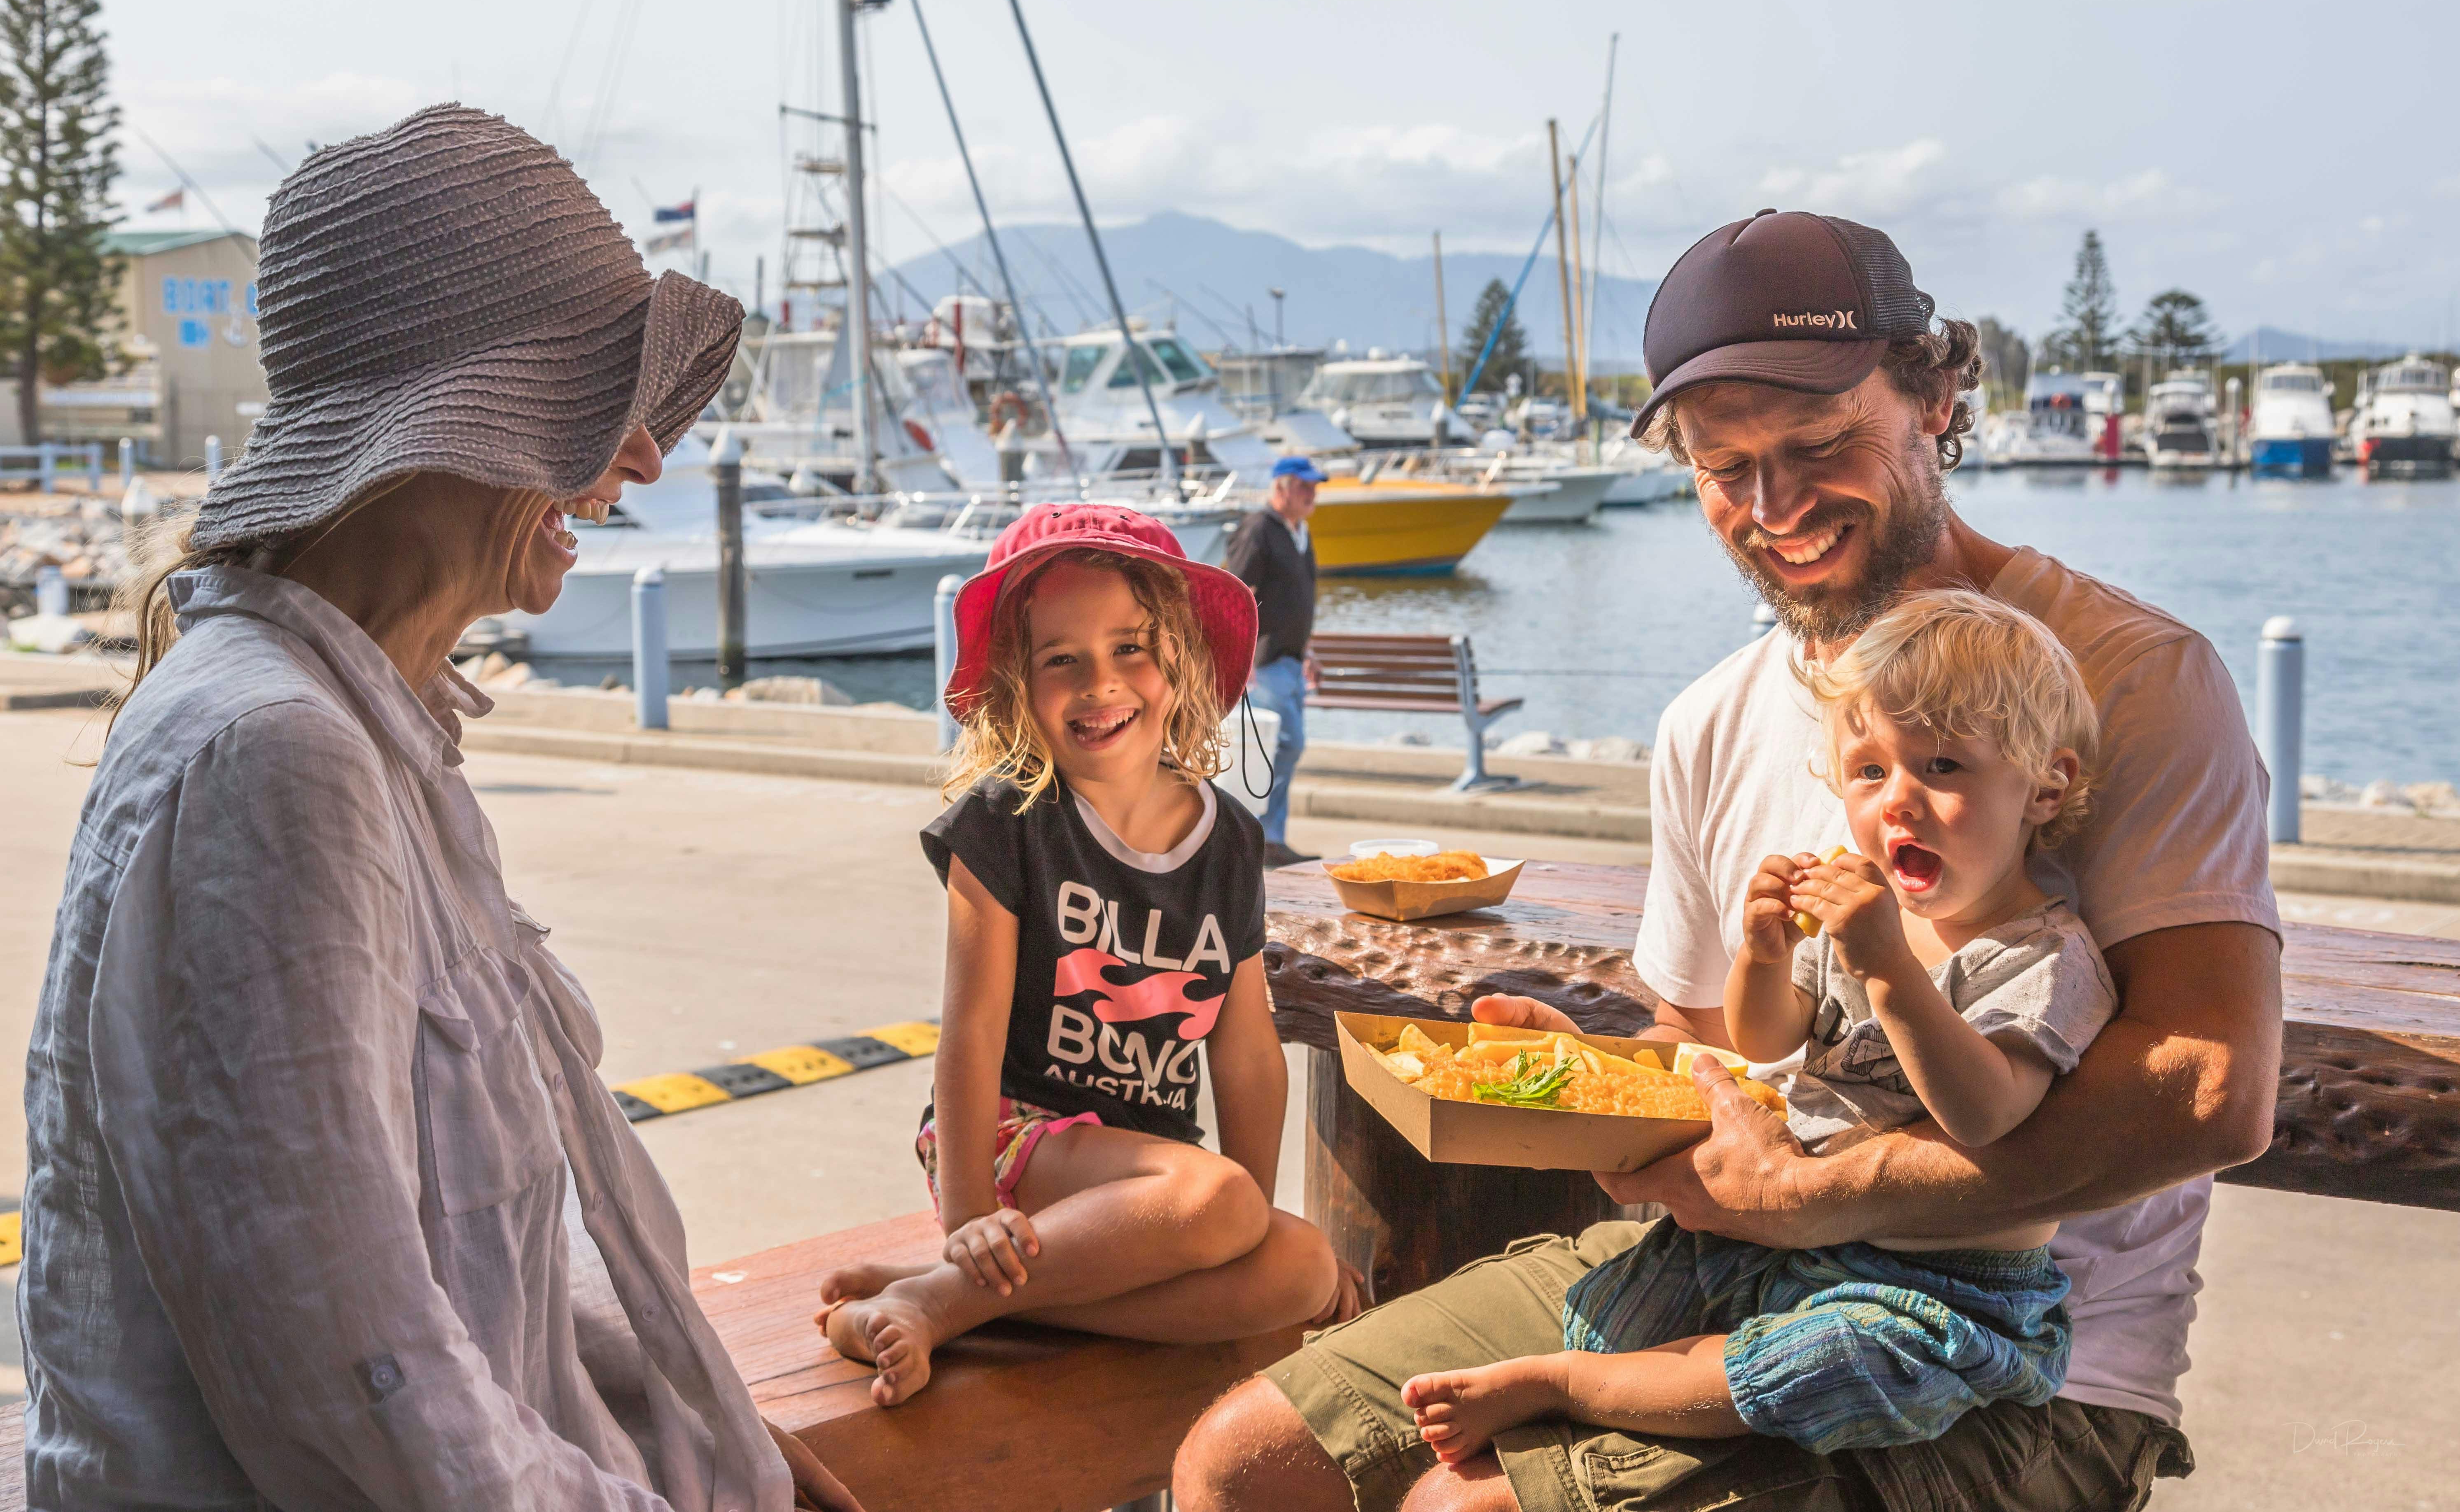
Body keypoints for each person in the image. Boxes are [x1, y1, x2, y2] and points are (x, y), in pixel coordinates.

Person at [1176, 209, 2282, 1512]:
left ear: (1932, 398)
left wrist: (1810, 1197)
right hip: (1720, 1269)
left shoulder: (2129, 678)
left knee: (1458, 1505)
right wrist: (1588, 1083)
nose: (1773, 507)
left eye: (1818, 446)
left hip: (2014, 1364)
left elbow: (2211, 1088)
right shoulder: (1705, 720)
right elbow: (1712, 1047)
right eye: (1722, 465)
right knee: (1237, 1464)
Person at [16, 106, 858, 1510]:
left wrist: (703, 1414)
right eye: (593, 405)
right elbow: (363, 1387)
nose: (641, 457)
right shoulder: (279, 754)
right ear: (449, 431)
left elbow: (457, 1258)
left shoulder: (354, 728)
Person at [1402, 590, 2112, 1465]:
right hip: (1790, 1242)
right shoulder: (1862, 906)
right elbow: (1766, 1038)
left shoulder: (2044, 957)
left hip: (1943, 1283)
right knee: (1613, 1311)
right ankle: (1615, 1369)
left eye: (1941, 769)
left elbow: (1986, 1110)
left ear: (2046, 785)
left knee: (1834, 1363)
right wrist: (1764, 953)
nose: (1897, 802)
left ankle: (1563, 1386)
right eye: (1867, 771)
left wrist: (1887, 966)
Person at [815, 505, 1361, 1407]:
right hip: (1012, 1141)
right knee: (1220, 1202)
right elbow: (970, 1035)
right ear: (1014, 686)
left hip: (1148, 1185)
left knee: (1298, 1267)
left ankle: (942, 1300)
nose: (1099, 684)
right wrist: (967, 1220)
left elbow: (1246, 1048)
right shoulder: (1004, 823)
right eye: (1059, 658)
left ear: (1180, 661)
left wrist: (1246, 1220)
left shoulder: (1228, 841)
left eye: (1129, 649)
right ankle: (947, 1287)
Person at [1224, 456, 1325, 865]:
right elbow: (1237, 593)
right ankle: (1263, 837)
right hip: (1264, 661)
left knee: (1281, 748)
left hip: (1290, 660)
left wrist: (1309, 649)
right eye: (1304, 486)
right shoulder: (1259, 529)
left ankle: (1267, 837)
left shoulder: (1299, 532)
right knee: (1283, 745)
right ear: (1281, 488)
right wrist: (1240, 655)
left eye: (1314, 486)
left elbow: (1298, 600)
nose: (1312, 493)